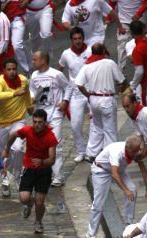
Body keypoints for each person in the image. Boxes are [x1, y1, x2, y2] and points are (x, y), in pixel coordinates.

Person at [85, 135, 147, 238]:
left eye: (137, 150)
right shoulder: (117, 151)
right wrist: (125, 190)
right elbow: (114, 174)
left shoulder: (135, 150)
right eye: (134, 151)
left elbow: (141, 157)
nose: (136, 154)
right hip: (101, 170)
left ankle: (129, 222)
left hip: (118, 170)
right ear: (128, 148)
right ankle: (91, 233)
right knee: (99, 202)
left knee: (132, 189)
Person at [74, 43, 126, 157]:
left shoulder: (87, 65)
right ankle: (111, 155)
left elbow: (79, 84)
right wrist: (118, 89)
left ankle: (91, 153)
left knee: (97, 128)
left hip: (93, 99)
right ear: (103, 51)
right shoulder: (109, 63)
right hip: (107, 99)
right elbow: (122, 80)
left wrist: (88, 95)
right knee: (110, 129)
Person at [0, 57, 32, 197]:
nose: (12, 72)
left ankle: (19, 175)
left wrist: (30, 106)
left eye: (14, 69)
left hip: (18, 120)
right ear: (4, 71)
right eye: (9, 69)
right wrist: (13, 93)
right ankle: (5, 178)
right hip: (1, 123)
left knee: (18, 148)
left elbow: (26, 94)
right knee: (4, 154)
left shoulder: (23, 80)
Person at [29, 51, 69, 186]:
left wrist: (65, 101)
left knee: (55, 144)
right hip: (41, 115)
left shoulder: (56, 74)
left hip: (55, 114)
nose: (33, 62)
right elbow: (32, 91)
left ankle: (58, 176)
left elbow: (68, 87)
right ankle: (43, 171)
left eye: (35, 59)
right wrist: (31, 99)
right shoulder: (34, 76)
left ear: (43, 61)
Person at [59, 28, 91, 162]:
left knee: (96, 121)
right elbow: (60, 69)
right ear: (71, 40)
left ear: (83, 38)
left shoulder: (90, 51)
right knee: (75, 124)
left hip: (90, 91)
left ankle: (93, 150)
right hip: (76, 93)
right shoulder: (66, 54)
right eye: (75, 39)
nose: (78, 41)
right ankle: (81, 150)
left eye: (80, 38)